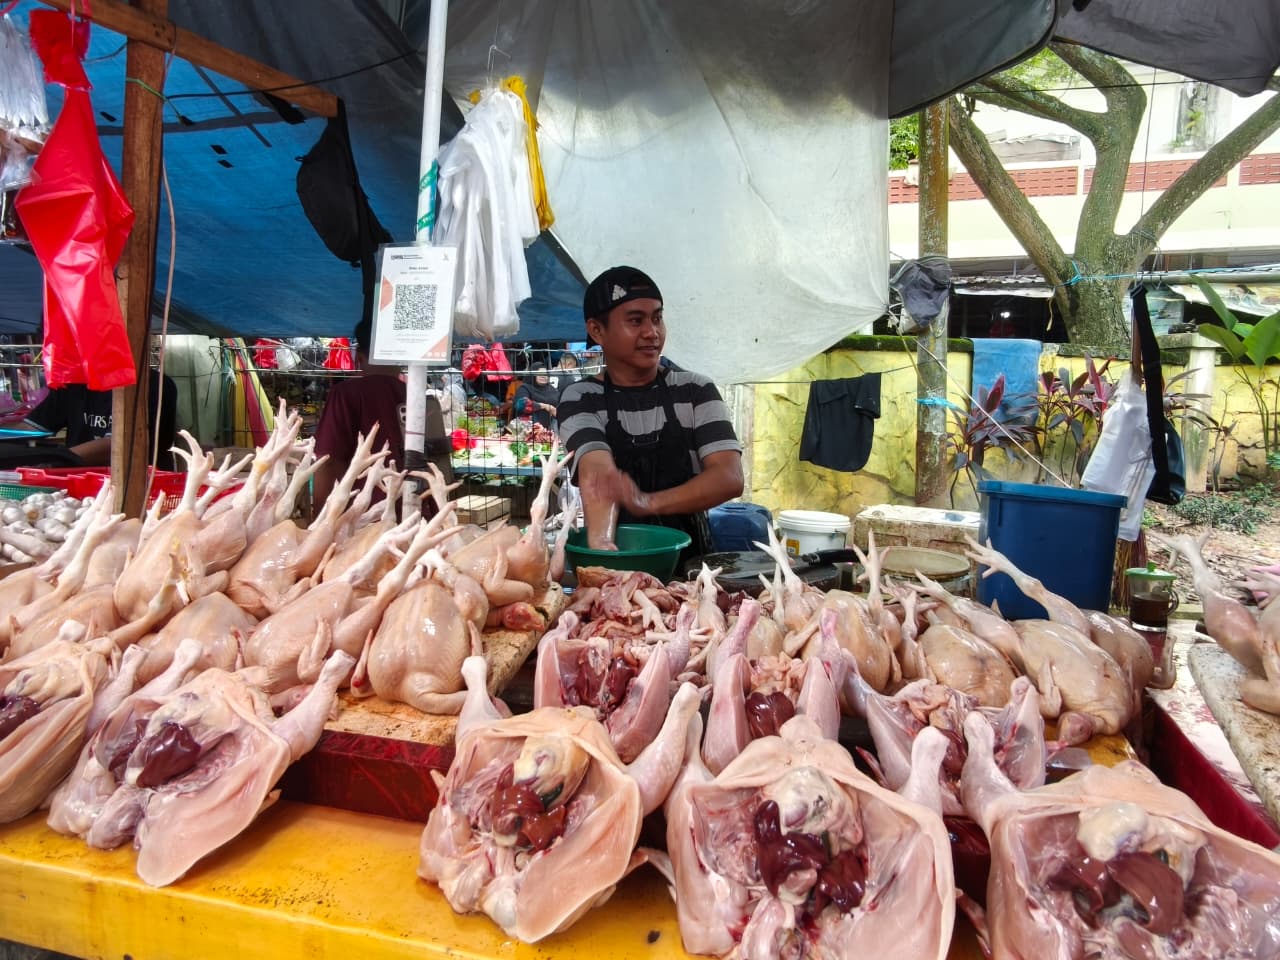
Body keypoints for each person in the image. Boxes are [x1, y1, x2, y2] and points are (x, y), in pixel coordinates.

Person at [557, 266, 743, 559]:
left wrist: (648, 501)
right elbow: (598, 473)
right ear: (596, 330)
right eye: (635, 320)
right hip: (619, 557)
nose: (652, 332)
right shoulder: (582, 398)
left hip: (693, 565)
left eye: (657, 318)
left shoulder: (696, 390)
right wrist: (605, 552)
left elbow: (729, 477)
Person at [312, 317, 450, 514]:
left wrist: (320, 516)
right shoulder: (416, 396)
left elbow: (328, 459)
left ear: (359, 356)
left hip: (365, 518)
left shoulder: (346, 394)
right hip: (417, 510)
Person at [23, 369, 177, 469]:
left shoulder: (152, 384)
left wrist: (56, 459)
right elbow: (33, 427)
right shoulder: (74, 383)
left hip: (138, 487)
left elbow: (117, 444)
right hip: (78, 481)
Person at [513, 364, 559, 429]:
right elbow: (521, 404)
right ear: (533, 375)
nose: (543, 376)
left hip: (549, 430)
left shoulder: (551, 389)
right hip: (528, 429)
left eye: (546, 374)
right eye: (539, 373)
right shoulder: (525, 388)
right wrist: (545, 406)